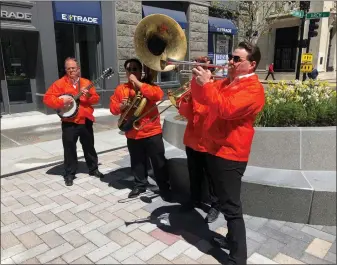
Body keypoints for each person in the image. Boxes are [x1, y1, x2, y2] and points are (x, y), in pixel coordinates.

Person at [191, 41, 265, 265]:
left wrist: (208, 84)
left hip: (231, 155)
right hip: (216, 150)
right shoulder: (228, 83)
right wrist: (199, 77)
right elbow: (202, 98)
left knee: (232, 209)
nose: (230, 62)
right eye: (231, 58)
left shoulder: (253, 89)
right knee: (225, 203)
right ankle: (233, 242)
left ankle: (237, 259)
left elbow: (225, 109)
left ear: (251, 65)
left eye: (236, 59)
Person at [109, 58, 172, 201]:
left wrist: (138, 83)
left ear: (140, 71)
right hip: (133, 133)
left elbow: (158, 95)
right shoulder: (121, 89)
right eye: (129, 69)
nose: (132, 72)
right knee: (137, 161)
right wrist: (121, 107)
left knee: (158, 161)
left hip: (152, 131)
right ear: (125, 72)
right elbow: (113, 109)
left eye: (135, 69)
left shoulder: (149, 85)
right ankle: (139, 184)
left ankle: (164, 186)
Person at [43, 57, 104, 186]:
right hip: (69, 122)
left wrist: (87, 95)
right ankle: (69, 174)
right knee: (69, 149)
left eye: (73, 68)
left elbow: (95, 99)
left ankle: (93, 169)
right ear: (66, 70)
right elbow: (47, 99)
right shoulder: (59, 84)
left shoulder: (86, 82)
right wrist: (61, 102)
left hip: (85, 120)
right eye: (68, 68)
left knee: (89, 146)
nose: (71, 70)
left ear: (78, 69)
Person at [178, 56, 220, 223]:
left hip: (209, 141)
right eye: (197, 67)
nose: (198, 70)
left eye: (203, 67)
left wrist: (193, 106)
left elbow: (209, 111)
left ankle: (215, 205)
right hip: (192, 139)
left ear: (210, 70)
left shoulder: (216, 86)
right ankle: (194, 199)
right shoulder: (192, 87)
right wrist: (185, 104)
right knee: (193, 173)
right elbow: (185, 113)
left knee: (212, 176)